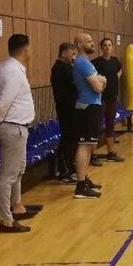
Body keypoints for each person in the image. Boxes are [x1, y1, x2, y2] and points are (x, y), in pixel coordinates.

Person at [0, 34, 36, 233]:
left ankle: (17, 206)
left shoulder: (3, 68)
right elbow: (3, 102)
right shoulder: (13, 72)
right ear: (26, 50)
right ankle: (6, 220)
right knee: (7, 175)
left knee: (17, 170)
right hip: (13, 127)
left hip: (15, 127)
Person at [72, 33, 107, 199]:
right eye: (88, 41)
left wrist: (101, 81)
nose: (92, 44)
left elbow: (99, 86)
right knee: (84, 145)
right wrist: (103, 80)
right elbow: (98, 87)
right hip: (87, 106)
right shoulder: (82, 63)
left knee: (89, 144)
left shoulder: (87, 63)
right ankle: (80, 186)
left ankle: (84, 178)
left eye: (92, 41)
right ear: (79, 45)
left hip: (92, 105)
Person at [92, 38, 124, 162]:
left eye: (110, 45)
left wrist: (116, 77)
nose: (107, 47)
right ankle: (92, 154)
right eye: (105, 45)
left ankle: (111, 152)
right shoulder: (96, 62)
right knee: (96, 125)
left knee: (110, 125)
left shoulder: (115, 61)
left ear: (112, 47)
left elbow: (120, 69)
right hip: (100, 98)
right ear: (101, 47)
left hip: (112, 97)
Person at [50, 42, 78, 183]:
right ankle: (64, 170)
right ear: (64, 53)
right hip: (66, 108)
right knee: (67, 138)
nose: (74, 58)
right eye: (72, 54)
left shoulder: (67, 67)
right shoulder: (60, 68)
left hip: (71, 108)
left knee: (72, 138)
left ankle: (70, 167)